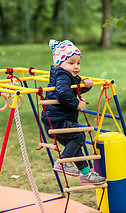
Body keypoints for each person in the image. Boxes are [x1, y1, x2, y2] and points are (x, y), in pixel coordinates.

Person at [41, 39, 106, 184]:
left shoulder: (68, 75)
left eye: (78, 63)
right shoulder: (63, 75)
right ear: (59, 63)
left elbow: (75, 88)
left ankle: (85, 174)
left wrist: (86, 84)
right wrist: (77, 104)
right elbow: (63, 93)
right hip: (57, 121)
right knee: (78, 137)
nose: (76, 67)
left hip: (55, 120)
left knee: (76, 147)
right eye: (71, 63)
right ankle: (63, 162)